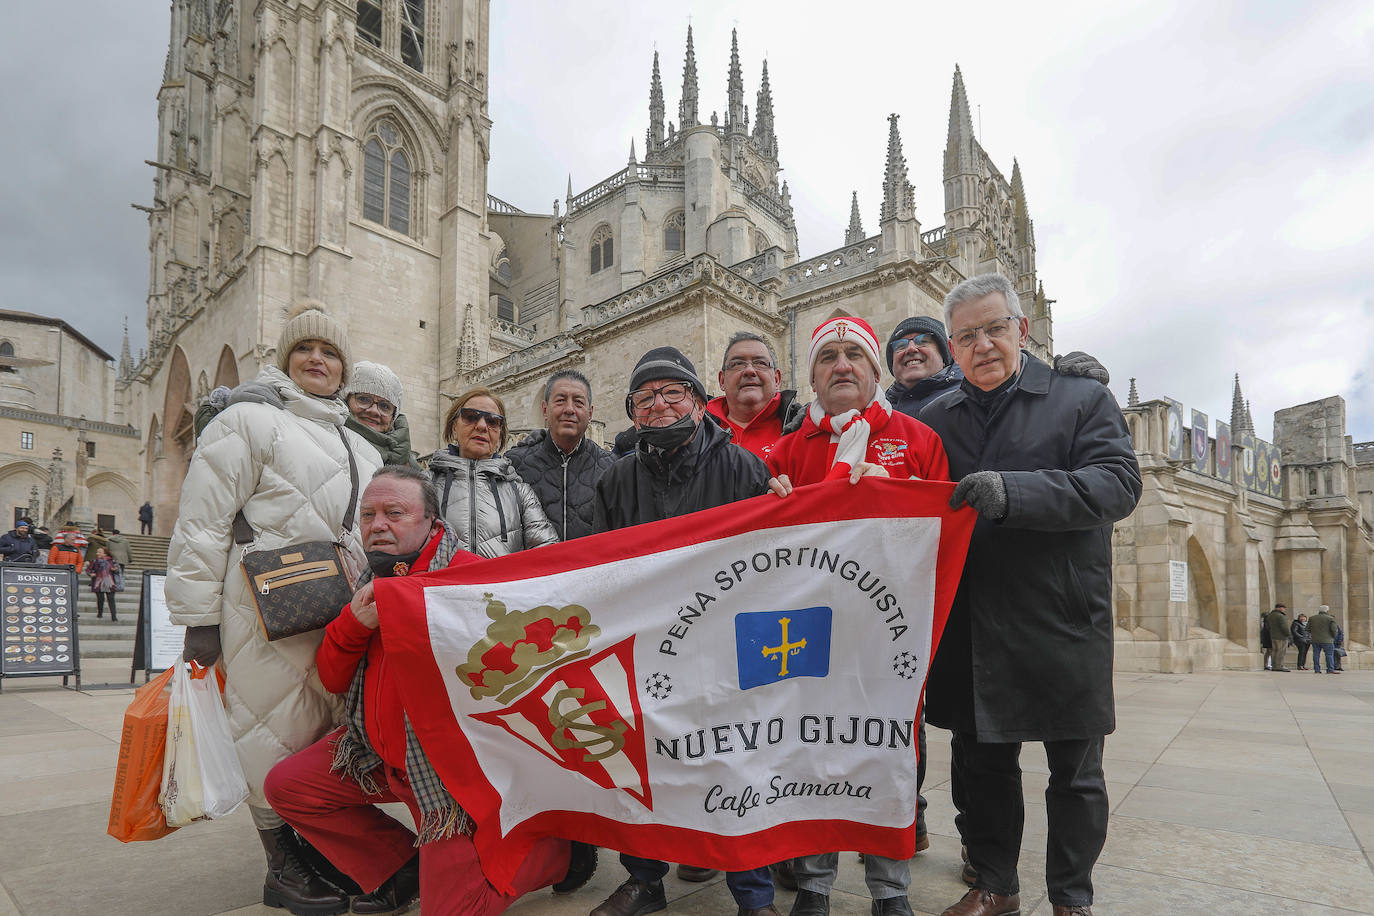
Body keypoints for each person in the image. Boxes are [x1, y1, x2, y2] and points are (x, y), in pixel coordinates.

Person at [265, 466, 590, 916]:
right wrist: (356, 627)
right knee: (289, 787)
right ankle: (401, 869)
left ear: (432, 523)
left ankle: (555, 856)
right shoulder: (369, 582)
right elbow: (333, 678)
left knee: (454, 910)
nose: (377, 525)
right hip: (377, 754)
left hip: (447, 777)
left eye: (394, 513)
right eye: (368, 515)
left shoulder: (470, 580)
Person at [918, 274, 1142, 916]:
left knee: (1075, 772)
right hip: (972, 624)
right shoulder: (937, 419)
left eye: (994, 329)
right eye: (966, 336)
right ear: (952, 350)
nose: (982, 344)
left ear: (1022, 329)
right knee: (980, 767)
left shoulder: (1079, 398)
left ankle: (1072, 899)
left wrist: (1015, 493)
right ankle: (995, 886)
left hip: (1061, 616)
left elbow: (1118, 485)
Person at [166, 300, 384, 909]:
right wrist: (198, 619)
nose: (317, 359)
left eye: (330, 352)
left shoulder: (360, 447)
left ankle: (317, 851)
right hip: (260, 611)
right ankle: (282, 867)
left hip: (335, 614)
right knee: (266, 732)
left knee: (320, 734)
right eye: (305, 349)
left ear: (345, 368)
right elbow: (201, 524)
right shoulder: (247, 422)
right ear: (286, 359)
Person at [765, 315, 949, 916]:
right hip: (810, 632)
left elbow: (945, 525)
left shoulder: (917, 439)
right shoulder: (788, 450)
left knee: (887, 755)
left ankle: (889, 892)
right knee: (812, 749)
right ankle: (814, 886)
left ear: (875, 370)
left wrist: (894, 492)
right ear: (812, 376)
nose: (841, 365)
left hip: (885, 632)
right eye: (827, 357)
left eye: (854, 356)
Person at [591, 346, 778, 916]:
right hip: (647, 648)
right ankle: (645, 881)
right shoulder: (615, 478)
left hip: (725, 647)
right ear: (632, 414)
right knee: (643, 764)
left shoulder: (744, 467)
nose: (660, 405)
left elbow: (771, 559)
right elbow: (601, 565)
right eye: (645, 398)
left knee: (736, 762)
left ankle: (753, 894)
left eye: (673, 393)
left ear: (700, 403)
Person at [426, 388, 559, 557]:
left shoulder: (520, 491)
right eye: (470, 417)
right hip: (441, 583)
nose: (482, 426)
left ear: (500, 436)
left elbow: (547, 553)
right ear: (454, 428)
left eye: (493, 421)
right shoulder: (424, 485)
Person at [507, 369, 615, 541]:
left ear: (590, 413)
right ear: (544, 410)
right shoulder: (514, 465)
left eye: (578, 402)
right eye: (560, 401)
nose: (569, 409)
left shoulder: (612, 469)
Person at [705, 331, 802, 459]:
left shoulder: (803, 428)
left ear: (777, 379)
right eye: (737, 364)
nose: (749, 371)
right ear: (722, 381)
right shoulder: (697, 430)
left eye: (760, 363)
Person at [342, 361, 421, 469]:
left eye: (384, 406)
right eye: (364, 399)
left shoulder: (410, 468)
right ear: (346, 400)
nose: (374, 411)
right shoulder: (325, 441)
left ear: (393, 417)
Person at [85, 546, 119, 621]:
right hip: (98, 582)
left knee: (111, 599)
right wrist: (90, 574)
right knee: (100, 599)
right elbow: (88, 570)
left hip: (109, 583)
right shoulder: (94, 561)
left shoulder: (112, 561)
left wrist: (115, 570)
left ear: (105, 554)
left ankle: (114, 616)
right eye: (97, 552)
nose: (97, 553)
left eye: (100, 552)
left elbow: (117, 570)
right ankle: (100, 613)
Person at [1308, 605, 1338, 675]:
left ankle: (1317, 669)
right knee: (1329, 655)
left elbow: (1308, 629)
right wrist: (1333, 637)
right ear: (1327, 610)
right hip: (1328, 640)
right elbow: (1334, 630)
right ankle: (1330, 669)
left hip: (1315, 639)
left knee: (1316, 654)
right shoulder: (1330, 618)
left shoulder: (1312, 618)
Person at [1265, 604, 1291, 672]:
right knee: (1281, 652)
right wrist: (1289, 635)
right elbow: (1284, 627)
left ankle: (1274, 665)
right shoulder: (1280, 616)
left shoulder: (1270, 615)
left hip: (1273, 636)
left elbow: (1267, 626)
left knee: (1275, 651)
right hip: (1281, 636)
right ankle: (1279, 666)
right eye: (1283, 608)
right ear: (1279, 608)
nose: (1284, 609)